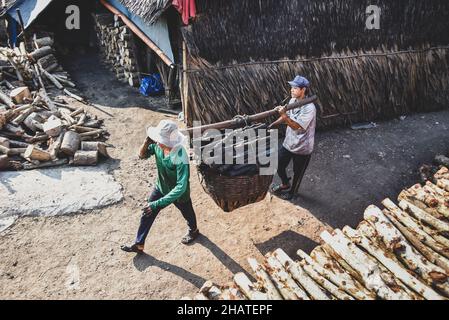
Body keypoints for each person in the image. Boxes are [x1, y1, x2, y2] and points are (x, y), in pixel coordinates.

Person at [121, 120, 199, 254]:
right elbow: (141, 155)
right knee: (147, 212)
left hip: (179, 194)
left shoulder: (180, 156)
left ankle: (194, 231)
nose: (157, 142)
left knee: (188, 214)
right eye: (157, 138)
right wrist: (146, 142)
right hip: (161, 187)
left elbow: (181, 187)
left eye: (160, 140)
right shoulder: (157, 147)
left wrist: (157, 204)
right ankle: (139, 243)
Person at [269, 75, 317, 200]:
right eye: (291, 87)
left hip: (302, 147)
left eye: (295, 88)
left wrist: (284, 116)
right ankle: (285, 184)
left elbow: (296, 126)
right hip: (289, 142)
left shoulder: (310, 108)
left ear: (303, 90)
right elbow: (287, 117)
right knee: (278, 164)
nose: (292, 90)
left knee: (298, 173)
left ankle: (292, 193)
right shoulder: (292, 101)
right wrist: (274, 124)